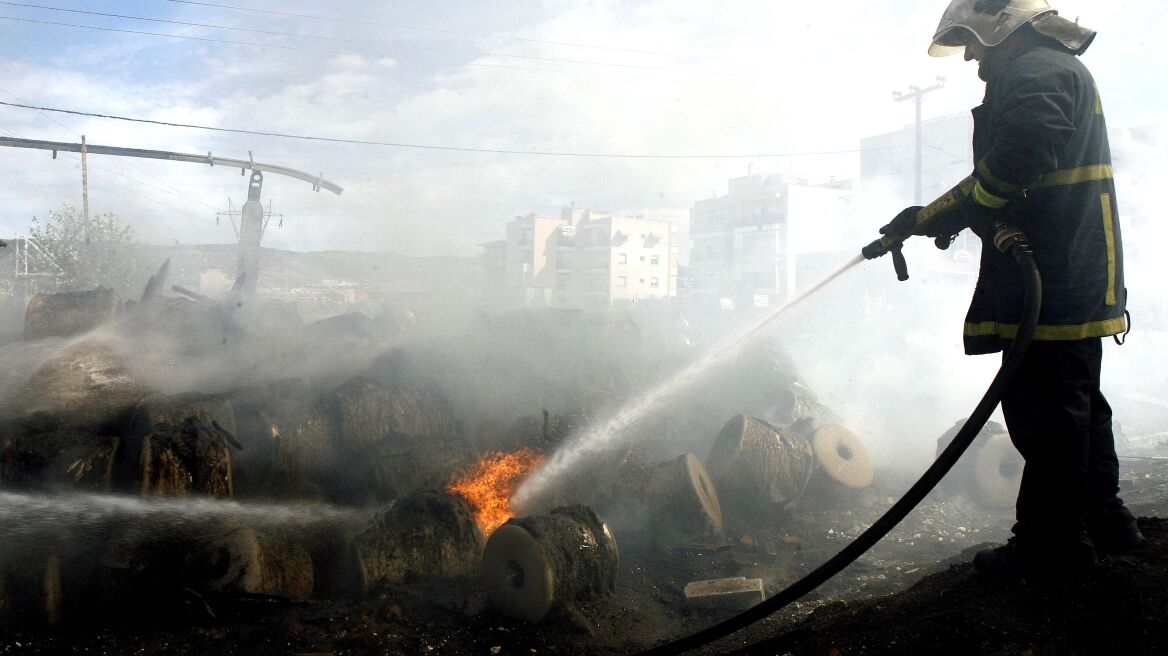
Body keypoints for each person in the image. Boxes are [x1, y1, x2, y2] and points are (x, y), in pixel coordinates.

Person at [880, 0, 1143, 577]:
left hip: (1054, 272)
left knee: (1046, 417)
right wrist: (938, 215)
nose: (970, 54)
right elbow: (1014, 180)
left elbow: (1017, 159)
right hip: (1069, 270)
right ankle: (1104, 519)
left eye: (971, 40)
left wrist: (945, 210)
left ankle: (1053, 547)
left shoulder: (1036, 70)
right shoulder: (1053, 68)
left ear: (1001, 26)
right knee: (1077, 408)